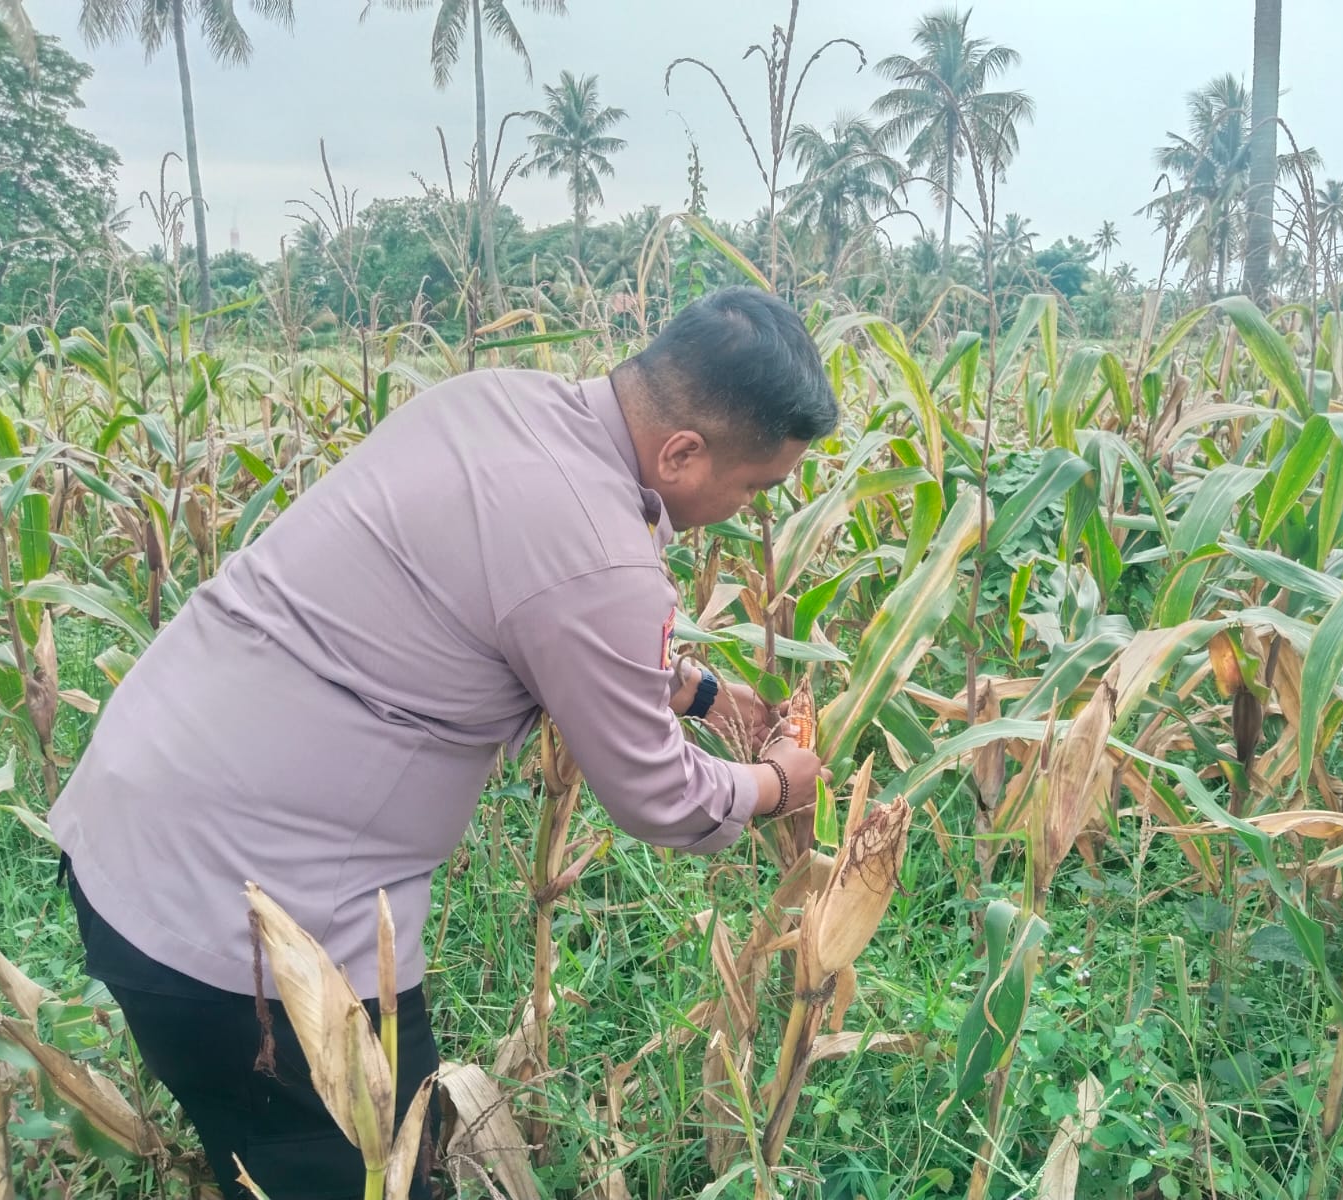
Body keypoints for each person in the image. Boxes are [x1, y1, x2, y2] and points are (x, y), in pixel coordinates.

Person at [47, 286, 837, 1200]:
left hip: (134, 826)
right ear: (684, 452)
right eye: (755, 486)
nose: (748, 507)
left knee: (287, 1161)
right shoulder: (598, 554)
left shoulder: (496, 402)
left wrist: (701, 694)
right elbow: (660, 795)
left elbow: (522, 612)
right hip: (247, 923)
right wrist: (777, 782)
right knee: (379, 1174)